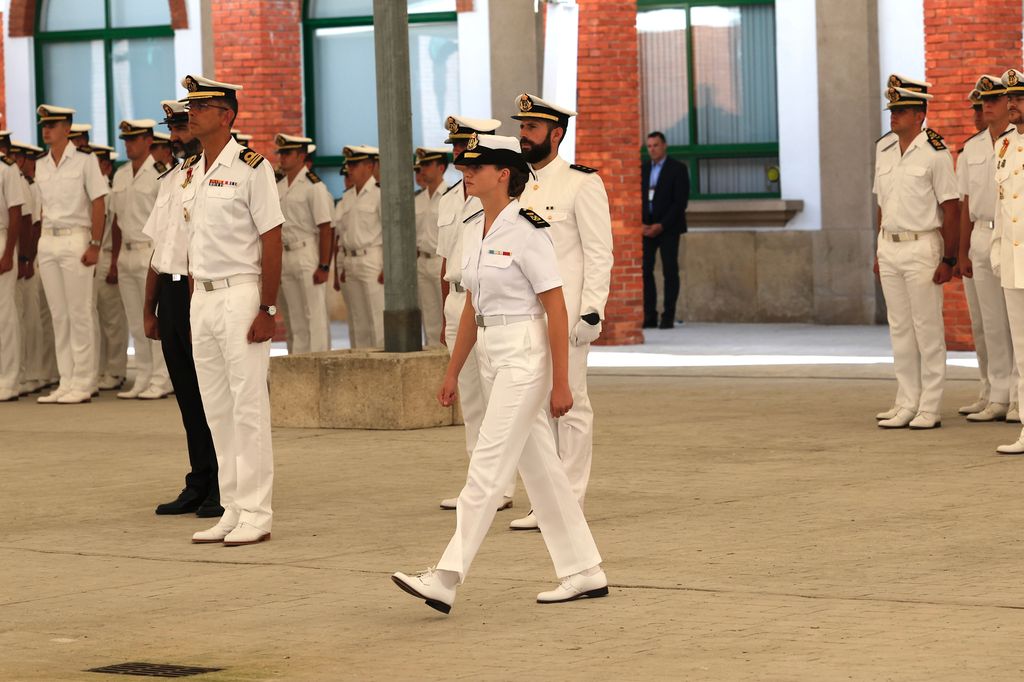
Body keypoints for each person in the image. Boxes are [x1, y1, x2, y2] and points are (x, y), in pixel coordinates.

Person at [392, 134, 607, 614]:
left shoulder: (529, 228)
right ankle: (584, 571)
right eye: (466, 165)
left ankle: (446, 576)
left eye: (477, 166)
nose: (466, 172)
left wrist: (561, 381)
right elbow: (471, 305)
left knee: (488, 465)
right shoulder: (477, 227)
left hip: (525, 355)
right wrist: (453, 370)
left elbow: (555, 306)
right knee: (543, 472)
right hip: (491, 352)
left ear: (504, 174)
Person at [177, 75, 284, 546]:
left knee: (248, 408)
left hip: (242, 295)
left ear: (226, 115)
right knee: (216, 408)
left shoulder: (250, 166)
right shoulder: (191, 169)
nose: (192, 113)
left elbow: (272, 237)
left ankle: (257, 512)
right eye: (190, 106)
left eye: (202, 106)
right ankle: (232, 507)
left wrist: (268, 306)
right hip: (202, 297)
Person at [509, 93, 614, 531]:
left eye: (531, 128)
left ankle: (569, 501)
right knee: (533, 409)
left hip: (567, 316)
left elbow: (599, 251)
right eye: (522, 128)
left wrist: (592, 310)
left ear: (555, 133)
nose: (523, 135)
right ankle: (545, 500)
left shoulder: (581, 183)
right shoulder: (519, 186)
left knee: (569, 406)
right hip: (526, 314)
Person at [144, 98, 222, 518]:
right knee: (188, 396)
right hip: (172, 295)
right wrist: (148, 307)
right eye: (172, 129)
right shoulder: (171, 180)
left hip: (203, 294)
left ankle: (223, 484)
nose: (173, 137)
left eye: (180, 128)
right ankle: (199, 479)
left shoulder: (219, 177)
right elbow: (159, 250)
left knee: (213, 394)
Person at [435, 115, 515, 512]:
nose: (458, 157)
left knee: (497, 398)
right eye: (455, 149)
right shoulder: (450, 197)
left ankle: (501, 487)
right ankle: (479, 483)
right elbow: (445, 260)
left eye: (466, 150)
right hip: (458, 302)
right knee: (470, 399)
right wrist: (442, 315)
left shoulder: (505, 198)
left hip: (492, 302)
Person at [873, 84, 959, 430]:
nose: (893, 116)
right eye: (892, 111)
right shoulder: (884, 148)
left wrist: (949, 259)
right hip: (889, 245)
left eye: (901, 111)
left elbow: (950, 207)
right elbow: (882, 203)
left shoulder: (935, 151)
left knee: (927, 328)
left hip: (922, 245)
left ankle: (930, 406)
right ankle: (906, 401)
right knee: (899, 328)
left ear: (919, 115)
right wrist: (878, 249)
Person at [34, 104, 108, 404]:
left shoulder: (84, 161)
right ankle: (66, 380)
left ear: (67, 128)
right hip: (48, 241)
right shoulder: (41, 164)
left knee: (80, 314)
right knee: (59, 315)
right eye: (44, 125)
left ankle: (84, 381)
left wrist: (95, 243)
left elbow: (99, 202)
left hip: (76, 239)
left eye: (52, 125)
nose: (46, 130)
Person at [956, 75, 1016, 424]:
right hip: (981, 235)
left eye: (992, 101)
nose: (985, 108)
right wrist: (962, 251)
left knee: (1011, 322)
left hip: (1010, 236)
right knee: (987, 322)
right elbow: (965, 204)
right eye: (982, 103)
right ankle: (996, 394)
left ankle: (1015, 396)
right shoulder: (972, 148)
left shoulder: (1016, 142)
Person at [110, 119, 173, 400]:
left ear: (149, 141)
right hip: (127, 252)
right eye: (126, 139)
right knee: (137, 321)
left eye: (134, 139)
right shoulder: (120, 174)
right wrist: (113, 257)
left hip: (152, 251)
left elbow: (168, 221)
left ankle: (162, 377)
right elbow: (115, 221)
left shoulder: (161, 174)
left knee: (155, 317)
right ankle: (144, 375)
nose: (128, 144)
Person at [275, 133, 333, 354]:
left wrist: (324, 265)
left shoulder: (313, 185)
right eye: (281, 153)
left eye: (287, 153)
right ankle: (298, 365)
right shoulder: (280, 186)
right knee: (295, 316)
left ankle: (318, 362)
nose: (283, 158)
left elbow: (325, 227)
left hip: (307, 251)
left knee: (314, 314)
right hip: (285, 253)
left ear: (301, 156)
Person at [991, 68, 1024, 453]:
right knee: (1022, 349)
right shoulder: (1005, 146)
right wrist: (997, 250)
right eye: (1010, 98)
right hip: (1014, 261)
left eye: (1018, 98)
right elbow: (1004, 207)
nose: (1012, 104)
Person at [90, 144, 129, 392]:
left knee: (113, 319)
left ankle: (116, 370)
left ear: (105, 166)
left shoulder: (109, 191)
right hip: (92, 258)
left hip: (108, 255)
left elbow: (117, 228)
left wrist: (114, 261)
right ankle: (102, 368)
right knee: (95, 317)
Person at [641, 130, 689, 330]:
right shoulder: (642, 169)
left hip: (668, 228)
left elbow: (680, 202)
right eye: (649, 146)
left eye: (656, 145)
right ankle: (649, 315)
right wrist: (641, 224)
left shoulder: (677, 169)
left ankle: (668, 316)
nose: (653, 149)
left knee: (670, 271)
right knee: (645, 271)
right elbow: (636, 198)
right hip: (645, 229)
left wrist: (661, 225)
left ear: (664, 145)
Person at [337, 145, 384, 348]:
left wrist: (387, 267)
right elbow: (339, 234)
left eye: (355, 164)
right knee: (357, 320)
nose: (350, 168)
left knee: (377, 317)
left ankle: (382, 366)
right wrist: (342, 266)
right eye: (349, 164)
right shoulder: (347, 197)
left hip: (372, 259)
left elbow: (389, 231)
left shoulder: (379, 194)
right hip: (350, 261)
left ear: (369, 166)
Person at [10, 140, 46, 396]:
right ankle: (25, 371)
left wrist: (26, 259)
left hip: (26, 258)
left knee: (30, 318)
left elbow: (32, 225)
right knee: (22, 317)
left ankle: (33, 371)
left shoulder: (27, 185)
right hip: (21, 256)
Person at [413, 147, 449, 347]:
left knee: (448, 315)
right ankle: (434, 361)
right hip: (422, 261)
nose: (423, 169)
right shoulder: (417, 199)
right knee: (429, 318)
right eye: (422, 165)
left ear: (441, 167)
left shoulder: (451, 196)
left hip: (440, 261)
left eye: (427, 165)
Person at [0, 130, 25, 401]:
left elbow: (16, 212)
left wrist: (10, 253)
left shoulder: (6, 167)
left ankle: (9, 379)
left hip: (1, 237)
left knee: (4, 315)